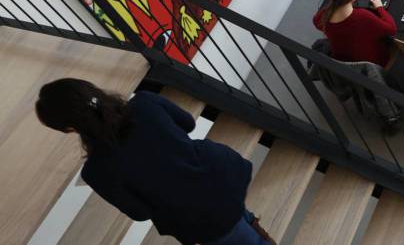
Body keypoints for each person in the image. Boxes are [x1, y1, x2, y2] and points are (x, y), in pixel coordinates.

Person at [35, 78, 273, 244]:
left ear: (69, 128)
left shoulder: (96, 172)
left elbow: (139, 212)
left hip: (199, 217)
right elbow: (187, 123)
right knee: (238, 216)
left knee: (236, 233)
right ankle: (252, 226)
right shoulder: (145, 102)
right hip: (219, 174)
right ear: (92, 92)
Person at [313, 0, 397, 67]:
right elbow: (392, 29)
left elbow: (316, 21)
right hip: (371, 64)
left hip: (344, 63)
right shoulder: (363, 16)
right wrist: (380, 8)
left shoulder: (323, 16)